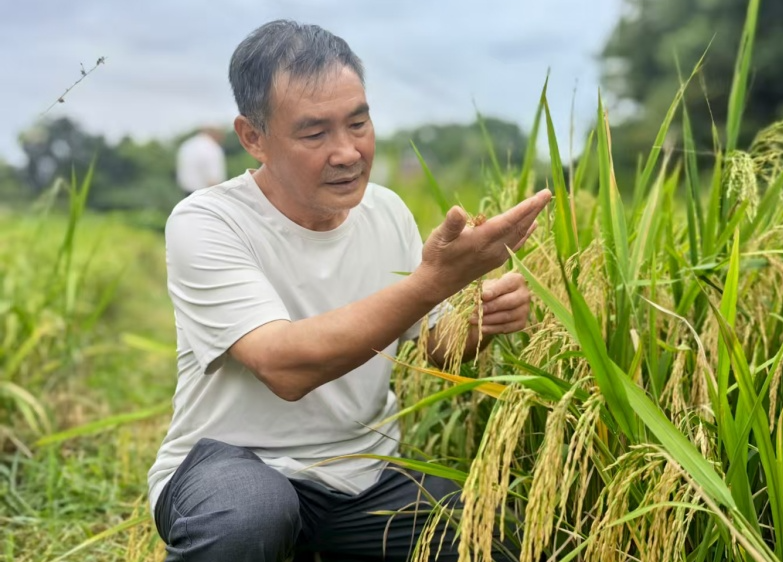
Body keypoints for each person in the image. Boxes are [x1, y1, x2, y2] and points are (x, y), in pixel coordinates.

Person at [147, 19, 551, 562]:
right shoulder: (207, 221)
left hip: (360, 474)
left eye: (358, 123)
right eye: (315, 133)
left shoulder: (385, 211)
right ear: (253, 137)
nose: (347, 152)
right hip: (233, 465)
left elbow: (431, 345)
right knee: (252, 516)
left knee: (495, 539)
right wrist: (435, 282)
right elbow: (283, 366)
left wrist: (476, 320)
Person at [175, 126, 226, 195]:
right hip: (207, 193)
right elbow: (213, 179)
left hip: (187, 194)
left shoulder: (186, 145)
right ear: (215, 133)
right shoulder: (211, 147)